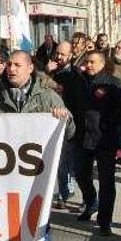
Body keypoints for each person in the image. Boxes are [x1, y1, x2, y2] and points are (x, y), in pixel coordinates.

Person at [0, 51, 73, 241]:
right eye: (9, 65)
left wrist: (63, 117)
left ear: (30, 68)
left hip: (40, 174)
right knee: (20, 226)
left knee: (40, 227)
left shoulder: (47, 96)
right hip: (10, 174)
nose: (12, 69)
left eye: (17, 65)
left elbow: (70, 130)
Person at [73, 51, 121, 236]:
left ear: (103, 64)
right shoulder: (79, 81)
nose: (88, 65)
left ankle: (105, 220)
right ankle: (91, 202)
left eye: (92, 62)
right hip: (82, 137)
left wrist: (118, 142)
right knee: (81, 175)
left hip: (105, 140)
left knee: (106, 182)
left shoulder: (113, 83)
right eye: (86, 62)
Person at [47, 41, 83, 209]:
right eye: (57, 53)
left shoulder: (75, 75)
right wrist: (47, 73)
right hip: (51, 122)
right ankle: (65, 191)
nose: (59, 57)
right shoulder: (50, 71)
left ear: (70, 56)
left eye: (63, 54)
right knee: (60, 163)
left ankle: (69, 192)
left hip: (69, 123)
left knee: (68, 164)